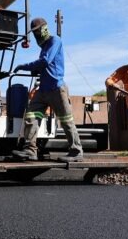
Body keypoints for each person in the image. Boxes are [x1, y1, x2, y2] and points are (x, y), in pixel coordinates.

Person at [11, 17, 83, 162]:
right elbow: (46, 66)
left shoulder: (54, 41)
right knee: (31, 116)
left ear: (44, 29)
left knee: (66, 120)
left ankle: (76, 152)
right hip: (43, 90)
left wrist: (25, 66)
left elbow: (45, 61)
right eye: (34, 33)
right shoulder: (44, 47)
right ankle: (30, 150)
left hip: (56, 89)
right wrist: (35, 70)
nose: (36, 35)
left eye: (38, 31)